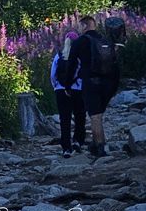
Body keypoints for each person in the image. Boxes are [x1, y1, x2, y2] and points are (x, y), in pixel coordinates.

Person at [64, 15, 120, 158]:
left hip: (91, 82)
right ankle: (96, 143)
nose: (78, 28)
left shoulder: (80, 41)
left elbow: (71, 64)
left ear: (84, 26)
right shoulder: (105, 40)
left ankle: (100, 148)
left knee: (94, 116)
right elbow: (115, 63)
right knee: (99, 115)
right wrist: (115, 85)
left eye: (79, 25)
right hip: (109, 83)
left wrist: (67, 85)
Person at [50, 31, 85, 158]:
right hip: (77, 89)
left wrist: (57, 86)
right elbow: (83, 75)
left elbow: (53, 74)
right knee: (79, 116)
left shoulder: (59, 56)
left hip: (60, 90)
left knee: (64, 119)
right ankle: (78, 141)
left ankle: (66, 147)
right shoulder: (80, 57)